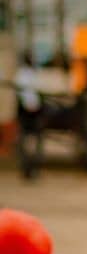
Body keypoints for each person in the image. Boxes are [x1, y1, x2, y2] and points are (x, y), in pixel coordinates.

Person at [14, 51, 43, 180]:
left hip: (33, 111)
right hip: (28, 112)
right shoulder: (23, 75)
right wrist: (31, 106)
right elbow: (26, 96)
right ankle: (28, 168)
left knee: (33, 142)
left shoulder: (31, 74)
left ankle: (32, 167)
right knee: (27, 142)